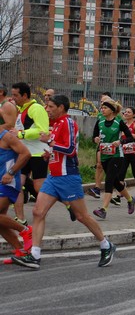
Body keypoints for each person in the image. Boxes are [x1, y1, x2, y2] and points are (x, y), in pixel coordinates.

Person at [11, 95, 116, 269]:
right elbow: (59, 148)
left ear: (61, 107)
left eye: (51, 106)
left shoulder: (68, 123)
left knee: (82, 216)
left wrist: (49, 141)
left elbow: (69, 149)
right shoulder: (57, 124)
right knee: (38, 212)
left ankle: (106, 245)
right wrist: (49, 153)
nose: (47, 109)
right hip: (53, 176)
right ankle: (35, 256)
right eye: (47, 106)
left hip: (68, 177)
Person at [10, 82, 50, 226]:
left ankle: (68, 204)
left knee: (39, 188)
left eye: (16, 95)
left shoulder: (36, 108)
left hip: (39, 153)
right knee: (16, 184)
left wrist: (21, 134)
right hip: (24, 154)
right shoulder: (19, 110)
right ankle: (21, 218)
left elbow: (43, 131)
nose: (13, 98)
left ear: (25, 95)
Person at [91, 99, 135, 219]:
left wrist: (120, 141)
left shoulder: (118, 122)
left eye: (105, 108)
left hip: (117, 156)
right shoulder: (100, 121)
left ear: (111, 110)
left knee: (109, 180)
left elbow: (130, 137)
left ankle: (103, 209)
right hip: (104, 155)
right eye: (102, 108)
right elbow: (94, 136)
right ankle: (130, 199)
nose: (102, 110)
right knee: (116, 182)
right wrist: (95, 139)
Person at [0, 122, 32, 265]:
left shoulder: (6, 137)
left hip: (9, 182)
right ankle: (21, 251)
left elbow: (26, 153)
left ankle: (25, 230)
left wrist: (11, 172)